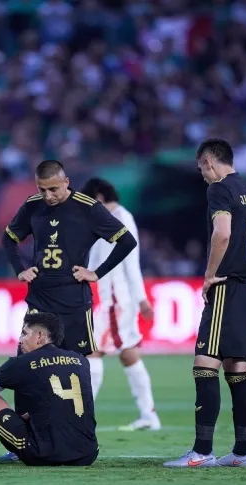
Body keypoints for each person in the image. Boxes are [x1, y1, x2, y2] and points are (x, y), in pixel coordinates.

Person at [0, 160, 136, 462]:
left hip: (74, 303)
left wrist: (96, 273)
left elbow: (127, 241)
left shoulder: (87, 207)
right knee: (27, 369)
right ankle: (25, 440)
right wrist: (21, 269)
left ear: (67, 182)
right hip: (39, 302)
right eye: (42, 189)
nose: (48, 196)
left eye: (53, 189)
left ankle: (82, 436)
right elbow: (9, 238)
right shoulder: (33, 205)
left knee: (78, 368)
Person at [164, 138, 246, 468]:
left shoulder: (220, 189)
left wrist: (210, 275)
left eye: (201, 169)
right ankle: (242, 453)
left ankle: (202, 451)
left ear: (210, 162)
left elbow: (221, 234)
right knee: (237, 369)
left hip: (224, 288)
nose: (202, 176)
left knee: (204, 365)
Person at [0, 312, 98, 467]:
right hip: (88, 453)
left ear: (40, 336)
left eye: (24, 333)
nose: (20, 340)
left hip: (42, 454)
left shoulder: (22, 363)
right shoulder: (80, 360)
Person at [81, 177, 160, 431]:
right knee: (128, 354)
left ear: (100, 197)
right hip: (110, 297)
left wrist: (141, 299)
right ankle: (149, 414)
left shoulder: (120, 218)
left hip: (113, 299)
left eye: (90, 201)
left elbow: (130, 262)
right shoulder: (112, 218)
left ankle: (82, 416)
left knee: (93, 350)